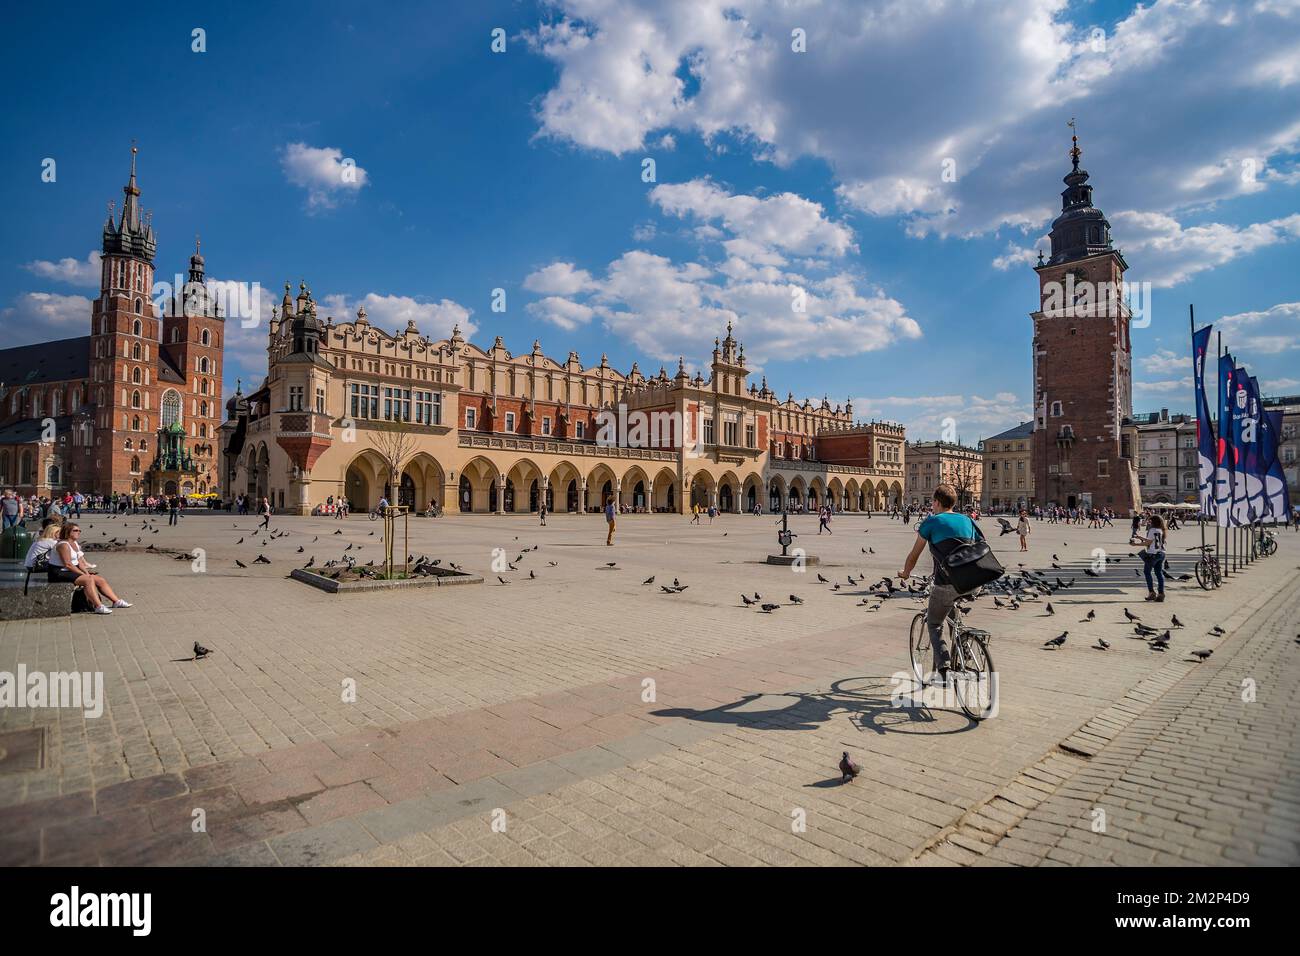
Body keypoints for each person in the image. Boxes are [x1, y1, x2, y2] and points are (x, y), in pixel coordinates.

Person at [898, 484, 980, 681]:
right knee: (954, 617)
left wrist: (906, 573)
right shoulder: (967, 520)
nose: (931, 506)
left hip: (946, 583)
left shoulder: (931, 522)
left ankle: (943, 667)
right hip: (973, 582)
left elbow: (914, 555)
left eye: (932, 502)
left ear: (936, 502)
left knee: (934, 623)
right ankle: (964, 649)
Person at [47, 523, 130, 614]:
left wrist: (86, 573)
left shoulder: (74, 543)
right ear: (67, 532)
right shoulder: (63, 545)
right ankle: (98, 606)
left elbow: (80, 563)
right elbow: (68, 564)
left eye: (79, 530)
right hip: (59, 572)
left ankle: (116, 601)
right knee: (88, 580)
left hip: (70, 570)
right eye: (75, 530)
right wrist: (83, 575)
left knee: (99, 580)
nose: (78, 532)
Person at [1136, 514, 1168, 602]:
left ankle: (1151, 593)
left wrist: (1135, 544)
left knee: (1147, 572)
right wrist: (1140, 537)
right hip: (1161, 553)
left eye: (1150, 521)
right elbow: (1153, 540)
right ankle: (1161, 594)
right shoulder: (1161, 530)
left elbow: (1148, 543)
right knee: (1159, 573)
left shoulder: (1152, 530)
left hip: (1152, 554)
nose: (1148, 523)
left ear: (1153, 522)